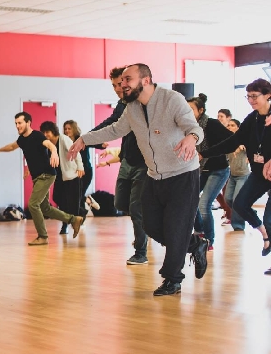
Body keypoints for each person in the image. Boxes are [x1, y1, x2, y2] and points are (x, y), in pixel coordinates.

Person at [69, 63, 208, 296]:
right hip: (154, 175)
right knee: (150, 224)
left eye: (127, 80)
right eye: (122, 81)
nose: (123, 85)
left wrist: (192, 139)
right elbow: (115, 130)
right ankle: (195, 244)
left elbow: (194, 128)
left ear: (145, 80)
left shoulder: (171, 99)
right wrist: (84, 139)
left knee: (175, 229)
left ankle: (172, 280)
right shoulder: (131, 107)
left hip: (183, 175)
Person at [0, 112, 84, 245]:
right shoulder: (22, 139)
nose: (17, 126)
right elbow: (11, 146)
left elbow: (49, 145)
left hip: (46, 175)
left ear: (28, 123)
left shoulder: (38, 135)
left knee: (33, 204)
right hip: (38, 177)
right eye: (16, 123)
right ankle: (74, 220)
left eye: (20, 123)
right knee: (45, 208)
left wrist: (54, 153)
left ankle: (43, 236)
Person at [202, 78, 271, 261]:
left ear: (268, 95)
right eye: (248, 96)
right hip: (258, 173)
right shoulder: (252, 118)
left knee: (270, 219)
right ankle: (265, 235)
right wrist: (204, 153)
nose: (251, 100)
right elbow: (233, 142)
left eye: (255, 96)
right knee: (239, 203)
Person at [91, 66, 150, 266]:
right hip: (127, 160)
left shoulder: (142, 102)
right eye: (115, 85)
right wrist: (87, 138)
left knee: (136, 208)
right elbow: (111, 123)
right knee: (120, 204)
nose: (118, 88)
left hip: (144, 163)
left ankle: (140, 252)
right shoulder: (122, 103)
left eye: (121, 84)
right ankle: (144, 227)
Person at [188, 93, 233, 251]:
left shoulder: (212, 124)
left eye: (191, 109)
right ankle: (199, 232)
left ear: (200, 110)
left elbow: (231, 139)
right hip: (200, 169)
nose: (187, 112)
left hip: (218, 170)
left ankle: (209, 239)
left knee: (203, 204)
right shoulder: (188, 126)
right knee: (189, 200)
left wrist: (208, 153)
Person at [40, 121, 84, 236]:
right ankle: (81, 214)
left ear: (53, 131)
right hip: (59, 177)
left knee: (72, 203)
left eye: (47, 132)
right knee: (57, 198)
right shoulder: (48, 144)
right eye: (43, 132)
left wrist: (80, 166)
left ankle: (66, 225)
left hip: (72, 175)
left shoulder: (63, 139)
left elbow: (76, 151)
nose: (46, 135)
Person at [62, 120, 91, 223]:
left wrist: (102, 145)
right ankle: (83, 211)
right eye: (65, 129)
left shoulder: (81, 139)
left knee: (78, 196)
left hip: (85, 171)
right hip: (72, 173)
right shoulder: (63, 141)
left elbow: (93, 142)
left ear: (74, 129)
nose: (67, 131)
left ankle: (80, 216)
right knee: (74, 196)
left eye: (69, 128)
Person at [223, 119, 249, 232]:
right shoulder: (228, 141)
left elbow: (254, 148)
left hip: (243, 175)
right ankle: (245, 212)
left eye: (232, 125)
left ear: (238, 128)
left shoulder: (244, 139)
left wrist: (245, 148)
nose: (229, 127)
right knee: (228, 198)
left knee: (236, 199)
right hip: (232, 175)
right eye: (228, 125)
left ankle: (238, 226)